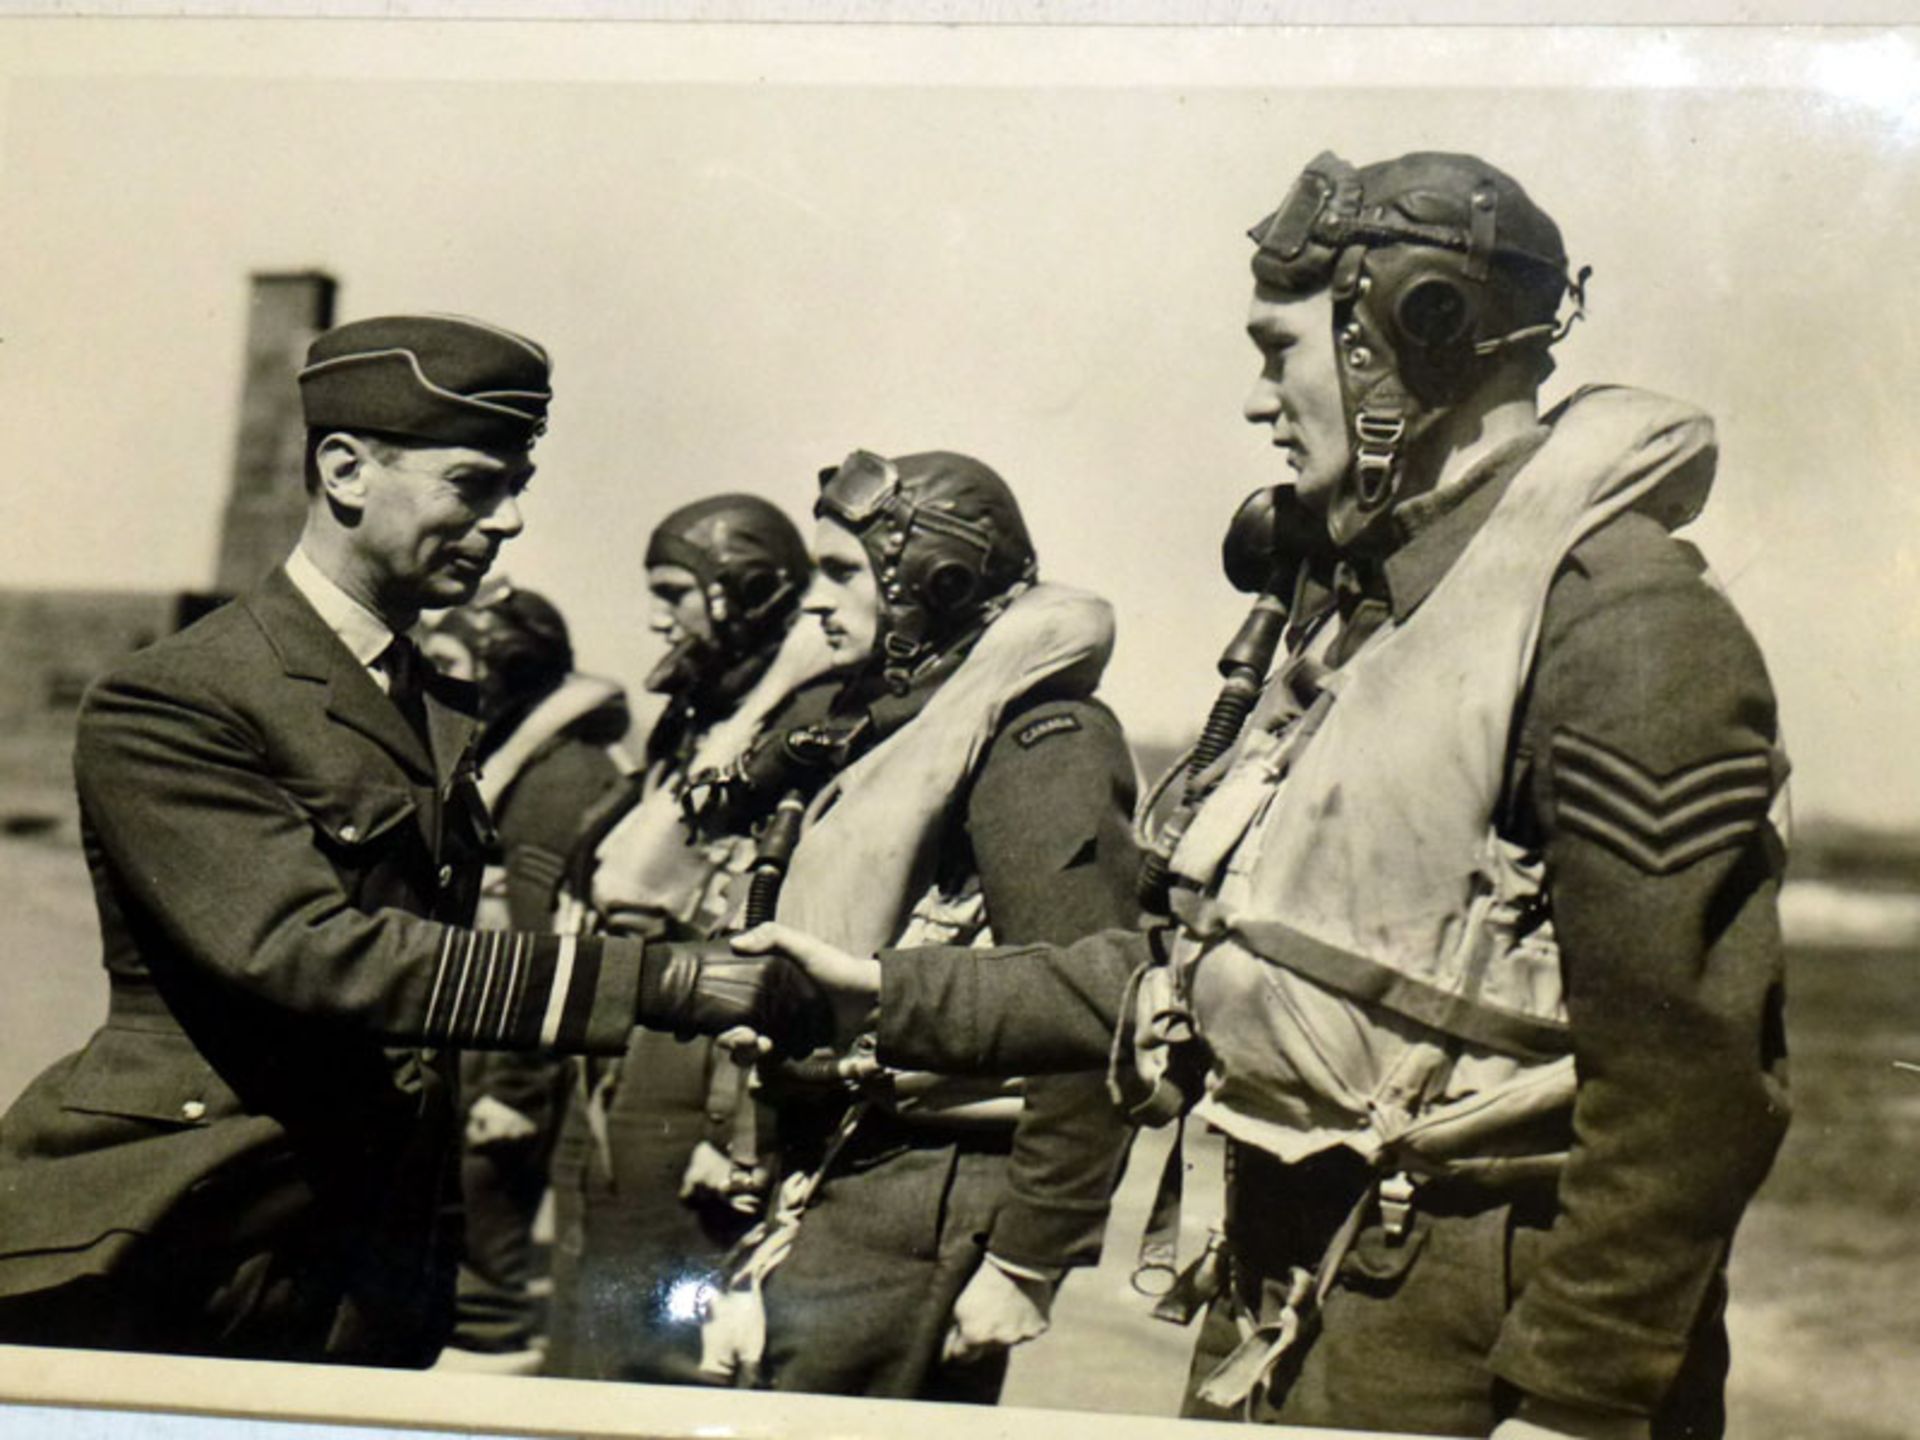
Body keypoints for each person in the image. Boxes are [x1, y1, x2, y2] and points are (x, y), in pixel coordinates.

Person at [744, 153, 1791, 1440]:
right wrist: (887, 992)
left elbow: (1692, 1083)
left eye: (1277, 349)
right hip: (1294, 1275)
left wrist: (1577, 1400)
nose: (1258, 400)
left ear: (1417, 333)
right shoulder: (1361, 628)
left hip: (1471, 1329)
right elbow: (1208, 971)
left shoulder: (1622, 628)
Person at [0, 313, 824, 1366]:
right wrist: (660, 983)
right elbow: (305, 950)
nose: (512, 521)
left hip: (363, 1251)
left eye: (518, 483)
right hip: (191, 1233)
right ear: (345, 470)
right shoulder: (179, 698)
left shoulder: (423, 697)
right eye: (478, 485)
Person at [696, 450, 1140, 1403]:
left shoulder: (1040, 746)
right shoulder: (887, 729)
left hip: (924, 1191)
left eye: (844, 574)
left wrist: (1030, 1256)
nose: (817, 604)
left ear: (937, 580)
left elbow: (1094, 1003)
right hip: (849, 1165)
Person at [542, 493, 826, 1384]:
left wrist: (734, 1119)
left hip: (701, 1042)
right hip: (636, 1013)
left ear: (745, 589)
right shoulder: (698, 717)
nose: (656, 613)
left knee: (652, 1308)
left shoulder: (802, 728)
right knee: (601, 1279)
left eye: (674, 589)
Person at [423, 585, 632, 1368]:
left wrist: (513, 1090)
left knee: (484, 1273)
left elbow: (552, 956)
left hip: (509, 1050)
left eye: (450, 666)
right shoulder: (518, 762)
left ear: (501, 670)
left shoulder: (559, 783)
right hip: (477, 1028)